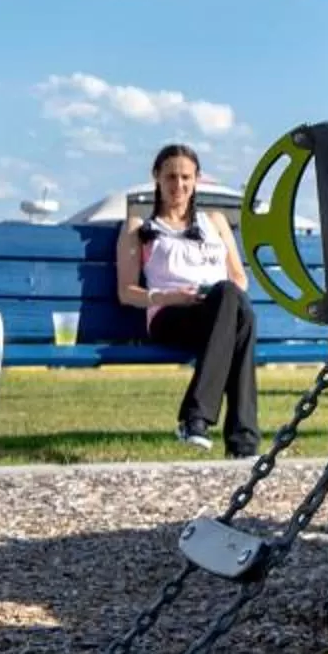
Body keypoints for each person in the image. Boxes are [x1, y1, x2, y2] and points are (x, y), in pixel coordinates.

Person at [116, 143, 258, 456]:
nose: (178, 185)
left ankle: (213, 429)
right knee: (242, 317)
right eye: (170, 177)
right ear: (156, 177)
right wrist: (171, 296)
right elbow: (126, 292)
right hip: (170, 314)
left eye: (185, 177)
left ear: (196, 180)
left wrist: (211, 294)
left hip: (217, 310)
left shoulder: (215, 221)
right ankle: (234, 435)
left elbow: (239, 279)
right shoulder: (140, 226)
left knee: (235, 305)